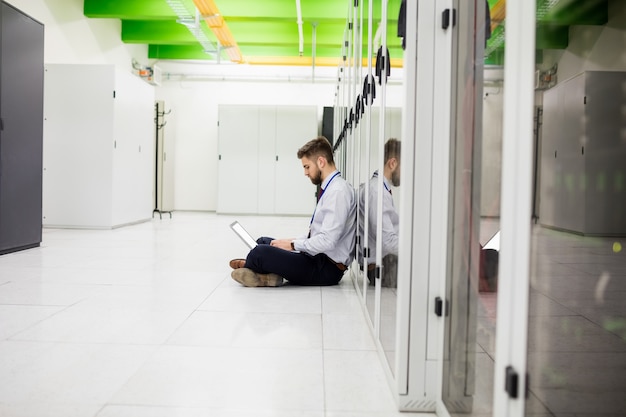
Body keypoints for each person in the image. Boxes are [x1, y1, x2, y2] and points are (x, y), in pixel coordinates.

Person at [229, 136, 357, 287]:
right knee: (263, 241)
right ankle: (264, 274)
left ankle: (255, 268)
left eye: (307, 167)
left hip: (325, 269)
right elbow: (317, 234)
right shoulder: (332, 188)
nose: (305, 173)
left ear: (321, 162)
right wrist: (290, 241)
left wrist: (293, 245)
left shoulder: (338, 192)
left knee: (260, 253)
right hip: (317, 257)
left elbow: (328, 241)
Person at [357, 138, 400, 287]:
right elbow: (387, 242)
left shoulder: (379, 189)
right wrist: (415, 248)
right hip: (380, 268)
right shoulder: (377, 192)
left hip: (383, 262)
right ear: (392, 163)